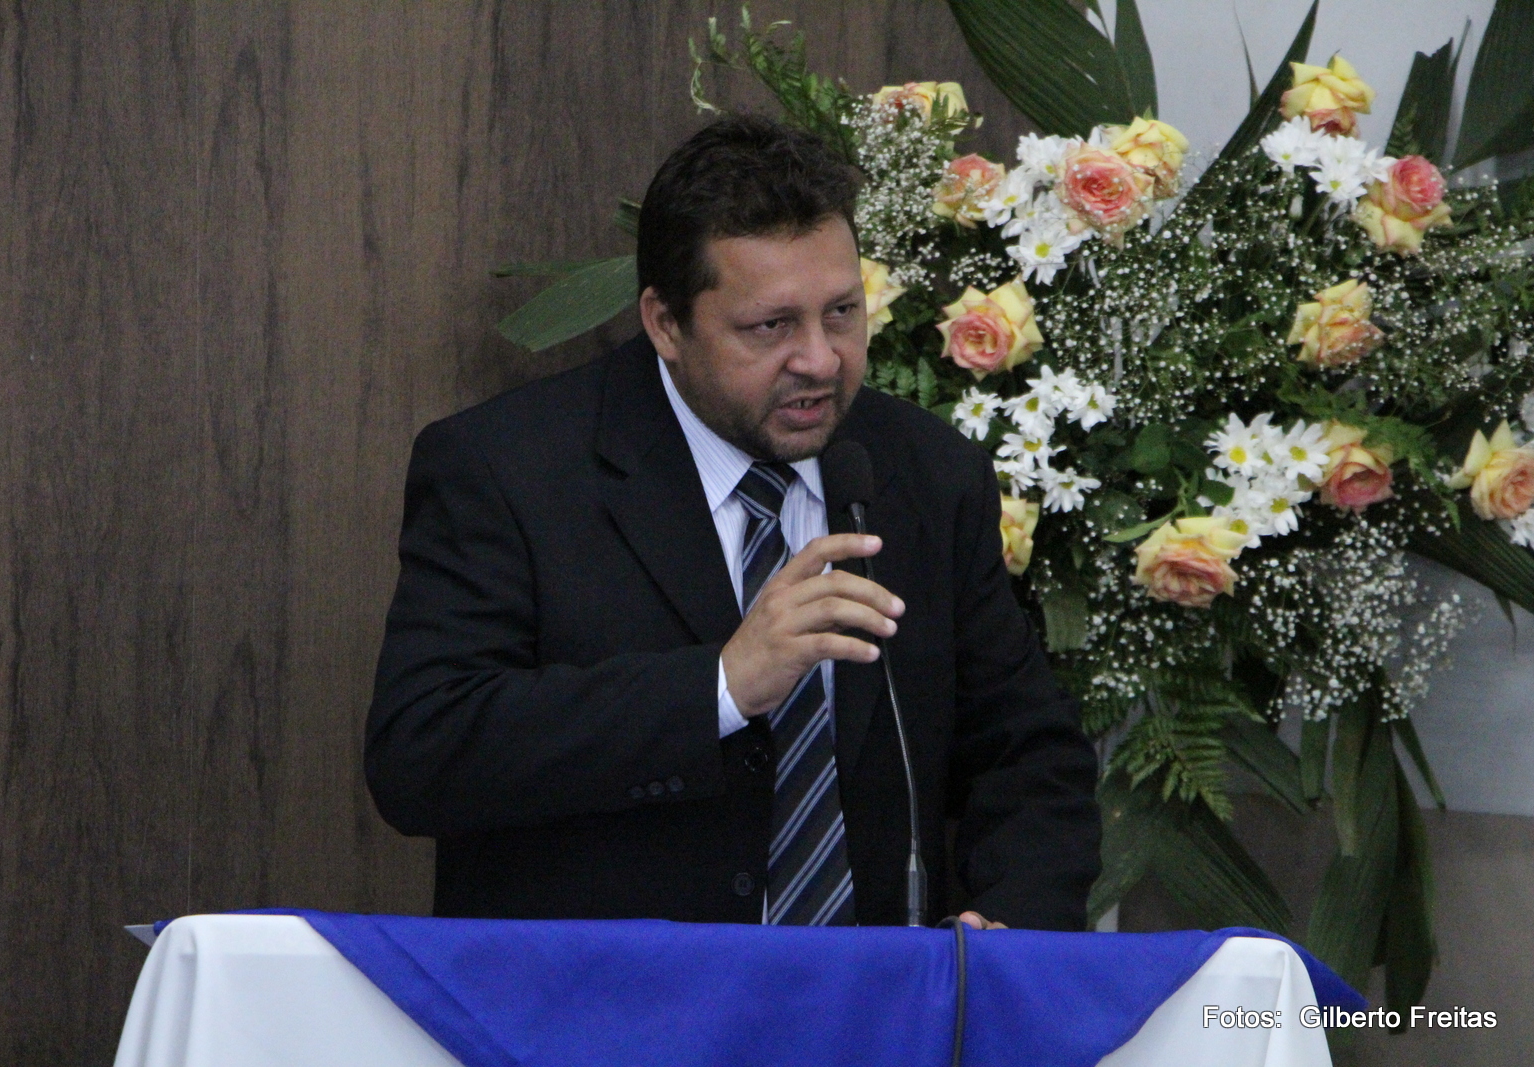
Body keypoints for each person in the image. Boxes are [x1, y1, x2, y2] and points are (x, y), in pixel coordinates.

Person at [365, 114, 1100, 930]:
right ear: (665, 323)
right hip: (613, 998)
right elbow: (423, 752)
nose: (819, 359)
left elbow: (1027, 752)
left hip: (871, 998)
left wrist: (1013, 926)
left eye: (842, 312)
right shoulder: (507, 470)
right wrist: (719, 685)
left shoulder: (928, 472)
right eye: (771, 326)